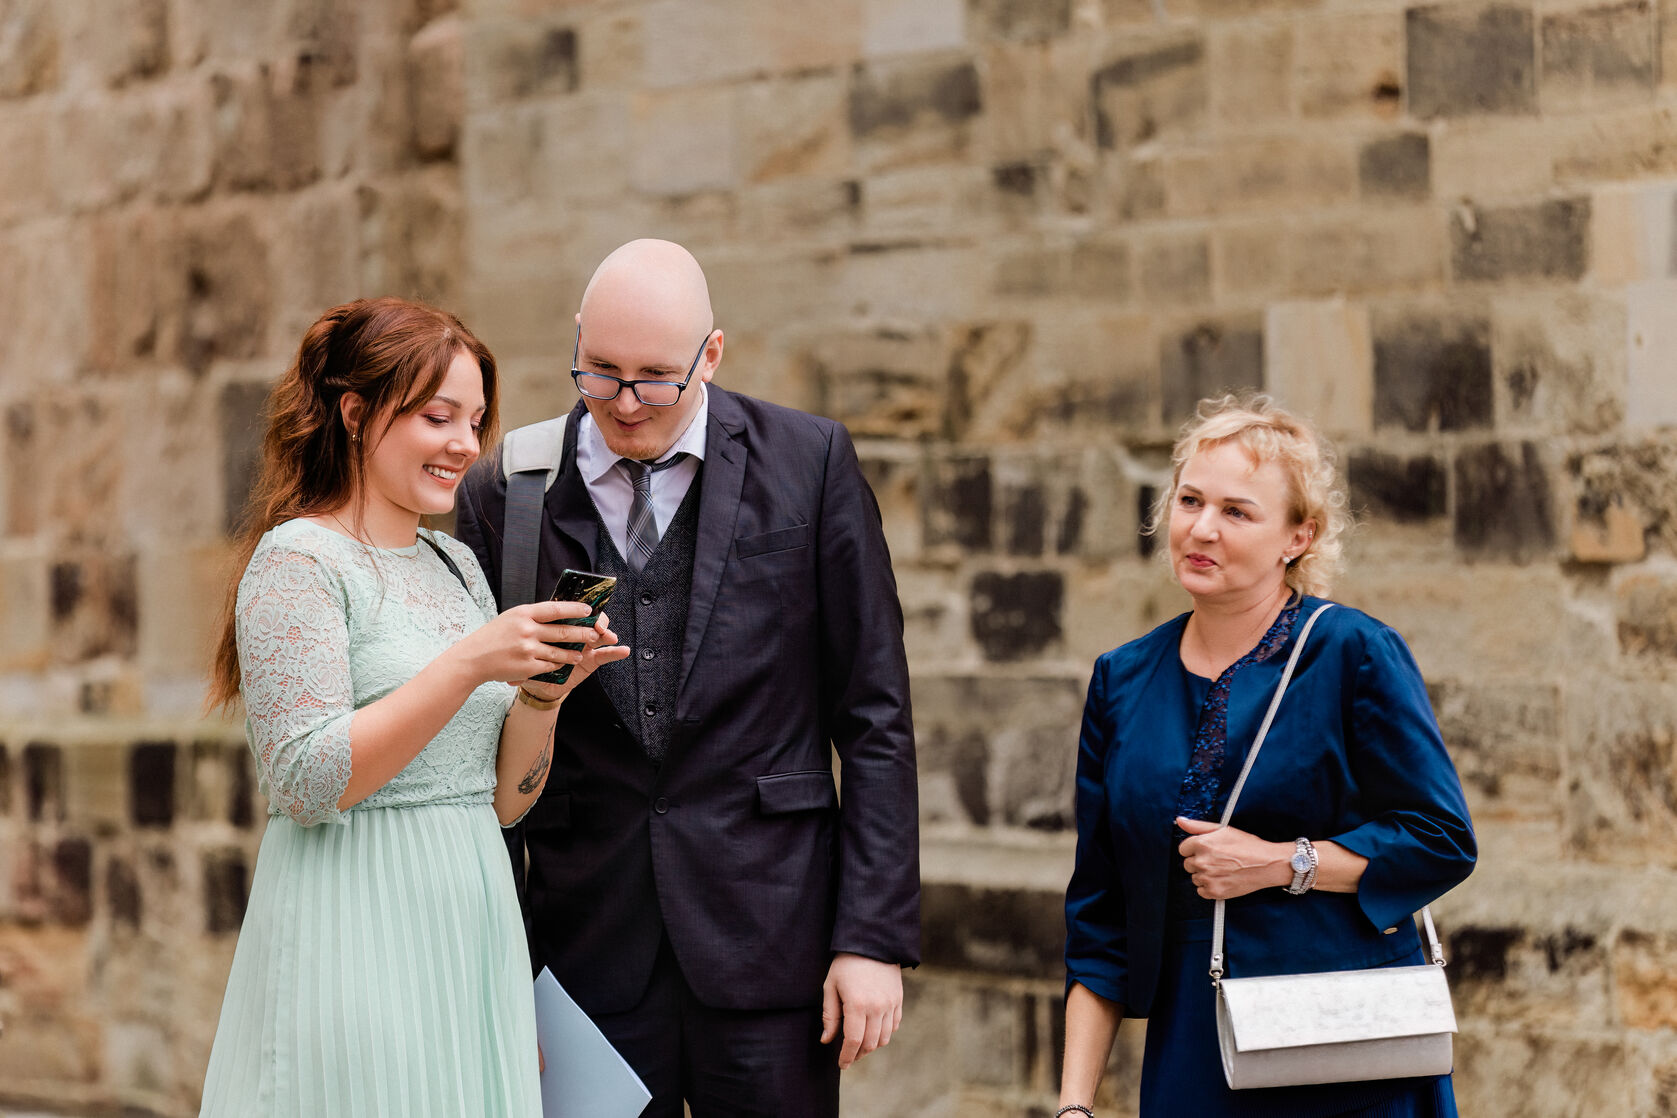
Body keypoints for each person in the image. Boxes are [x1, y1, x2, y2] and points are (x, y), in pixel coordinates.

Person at [455, 238, 920, 1117]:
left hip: (771, 934)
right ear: (578, 341)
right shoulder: (505, 494)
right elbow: (475, 735)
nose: (626, 403)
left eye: (656, 377)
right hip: (582, 942)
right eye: (600, 372)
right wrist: (492, 963)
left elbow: (874, 714)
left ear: (711, 354)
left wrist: (871, 938)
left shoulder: (809, 462)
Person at [199, 297, 629, 1117]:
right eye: (439, 418)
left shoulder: (457, 566)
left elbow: (504, 803)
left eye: (475, 421)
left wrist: (542, 697)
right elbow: (306, 779)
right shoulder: (299, 561)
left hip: (469, 924)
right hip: (356, 917)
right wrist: (469, 662)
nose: (466, 446)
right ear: (356, 413)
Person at [1057, 395, 1476, 1118]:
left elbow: (1442, 840)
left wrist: (1284, 863)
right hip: (1194, 1042)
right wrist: (1072, 1106)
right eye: (1189, 500)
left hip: (1343, 1039)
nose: (1201, 529)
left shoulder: (1351, 653)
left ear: (1297, 536)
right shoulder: (1121, 679)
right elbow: (1100, 917)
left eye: (1236, 512)